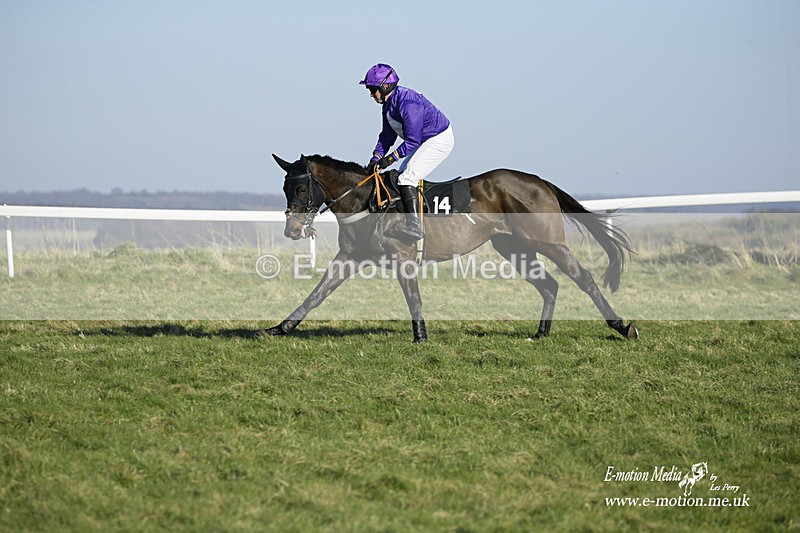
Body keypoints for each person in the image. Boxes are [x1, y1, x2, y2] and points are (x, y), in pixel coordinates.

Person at [359, 63, 454, 243]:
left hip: (438, 139)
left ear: (385, 86)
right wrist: (376, 157)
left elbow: (412, 140)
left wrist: (390, 159)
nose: (371, 94)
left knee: (407, 178)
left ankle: (414, 227)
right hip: (422, 141)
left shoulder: (408, 103)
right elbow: (387, 136)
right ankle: (405, 219)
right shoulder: (388, 104)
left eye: (372, 89)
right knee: (399, 177)